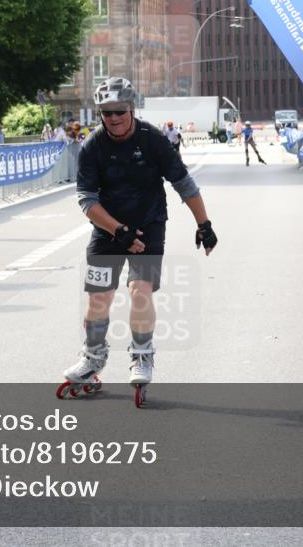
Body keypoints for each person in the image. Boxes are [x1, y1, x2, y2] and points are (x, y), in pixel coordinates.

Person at [59, 76, 217, 407]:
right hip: (107, 229)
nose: (113, 118)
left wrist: (204, 225)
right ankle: (92, 358)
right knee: (98, 299)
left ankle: (142, 355)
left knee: (139, 291)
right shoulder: (92, 146)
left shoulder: (153, 140)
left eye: (119, 111)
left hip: (148, 226)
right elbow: (87, 200)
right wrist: (118, 231)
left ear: (131, 108)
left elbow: (184, 184)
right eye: (106, 113)